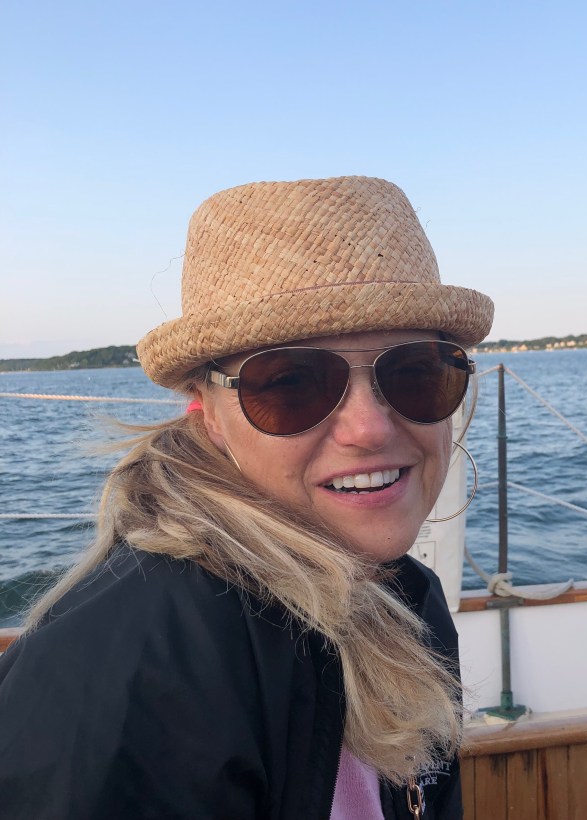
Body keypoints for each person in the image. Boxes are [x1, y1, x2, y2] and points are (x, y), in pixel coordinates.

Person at [0, 176, 494, 819]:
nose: (370, 429)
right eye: (290, 383)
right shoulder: (139, 672)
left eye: (416, 372)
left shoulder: (404, 598)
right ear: (206, 413)